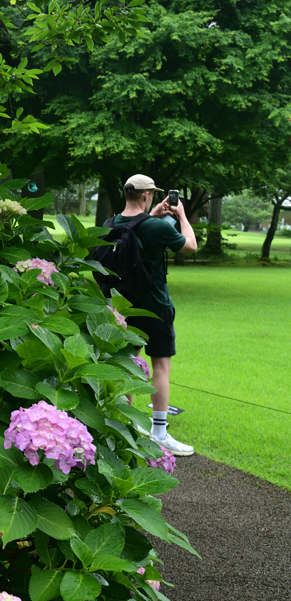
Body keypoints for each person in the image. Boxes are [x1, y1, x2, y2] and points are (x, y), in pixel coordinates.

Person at [112, 174, 197, 456]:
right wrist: (182, 216)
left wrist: (153, 216)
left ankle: (122, 426)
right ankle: (159, 432)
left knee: (127, 364)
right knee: (159, 367)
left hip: (122, 306)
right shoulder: (157, 227)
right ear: (147, 195)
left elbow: (135, 229)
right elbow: (190, 246)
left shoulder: (110, 224)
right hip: (156, 305)